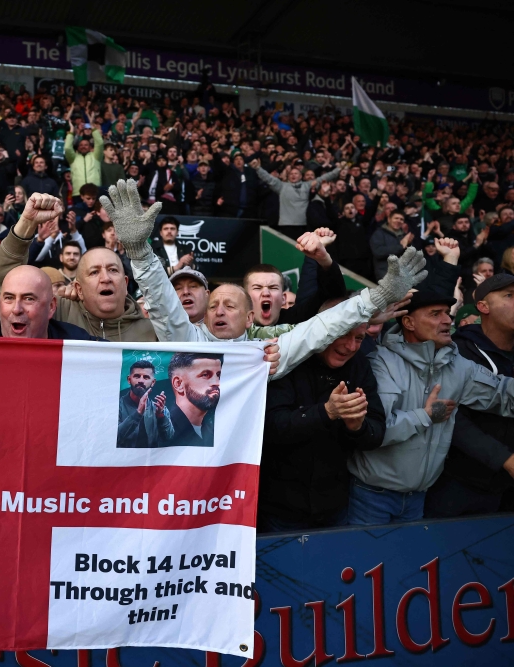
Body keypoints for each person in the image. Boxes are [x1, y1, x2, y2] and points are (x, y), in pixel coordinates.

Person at [102, 179, 422, 380]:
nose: (219, 311)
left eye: (230, 305)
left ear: (250, 317)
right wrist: (139, 251)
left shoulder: (265, 356)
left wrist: (374, 300)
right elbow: (162, 302)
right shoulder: (187, 342)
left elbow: (321, 327)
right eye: (214, 305)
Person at [347, 285, 514, 525]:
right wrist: (426, 415)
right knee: (365, 563)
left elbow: (500, 392)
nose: (447, 320)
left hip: (419, 499)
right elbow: (374, 430)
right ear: (409, 322)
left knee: (409, 563)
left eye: (447, 312)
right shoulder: (381, 362)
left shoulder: (456, 364)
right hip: (373, 496)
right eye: (435, 314)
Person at [261, 306, 387, 532]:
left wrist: (357, 427)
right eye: (344, 334)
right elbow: (271, 427)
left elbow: (376, 432)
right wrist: (326, 412)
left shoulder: (360, 365)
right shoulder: (288, 359)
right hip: (281, 508)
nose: (351, 346)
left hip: (334, 507)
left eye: (359, 338)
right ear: (323, 331)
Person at [0, 192, 157, 342]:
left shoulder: (152, 331)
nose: (105, 278)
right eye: (94, 272)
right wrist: (27, 223)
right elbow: (7, 280)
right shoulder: (59, 311)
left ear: (126, 283)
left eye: (113, 270)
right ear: (78, 288)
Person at [424, 274, 514, 517]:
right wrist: (504, 459)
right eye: (509, 296)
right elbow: (451, 417)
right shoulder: (457, 350)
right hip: (456, 482)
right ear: (483, 307)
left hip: (505, 488)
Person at [253, 160, 339, 238]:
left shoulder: (307, 185)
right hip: (286, 225)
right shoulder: (281, 186)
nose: (293, 175)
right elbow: (268, 178)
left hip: (303, 225)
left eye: (296, 173)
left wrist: (339, 169)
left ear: (301, 176)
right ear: (288, 176)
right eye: (291, 174)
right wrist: (257, 168)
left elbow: (325, 177)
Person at [162, 353, 223, 448]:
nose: (217, 383)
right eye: (205, 375)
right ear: (179, 384)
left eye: (218, 375)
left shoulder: (213, 431)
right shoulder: (160, 433)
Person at [117, 360, 175, 449]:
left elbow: (168, 437)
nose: (141, 380)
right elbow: (114, 437)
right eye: (137, 376)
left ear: (153, 382)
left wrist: (160, 415)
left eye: (146, 377)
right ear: (129, 379)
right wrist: (138, 413)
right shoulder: (117, 406)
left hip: (150, 461)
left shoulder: (159, 409)